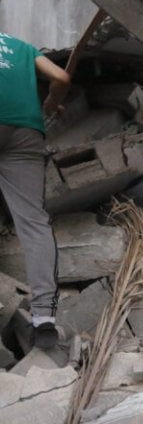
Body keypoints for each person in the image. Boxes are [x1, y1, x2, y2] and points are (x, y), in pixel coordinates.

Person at [0, 33, 70, 349]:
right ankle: (44, 320)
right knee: (33, 223)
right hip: (26, 132)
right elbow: (61, 76)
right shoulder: (20, 46)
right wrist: (51, 103)